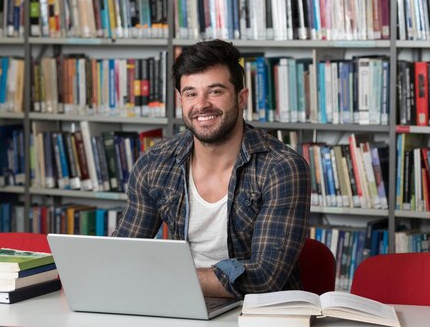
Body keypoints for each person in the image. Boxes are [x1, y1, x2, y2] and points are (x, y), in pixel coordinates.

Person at [112, 39, 311, 298]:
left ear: (241, 98)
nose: (202, 104)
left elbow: (264, 277)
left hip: (259, 316)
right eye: (191, 93)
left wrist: (165, 276)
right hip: (181, 304)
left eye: (215, 91)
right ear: (180, 100)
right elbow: (122, 252)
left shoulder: (282, 168)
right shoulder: (155, 163)